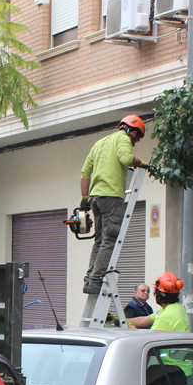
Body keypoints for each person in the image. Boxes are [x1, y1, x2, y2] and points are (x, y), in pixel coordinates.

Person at [80, 116, 147, 296]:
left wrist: (84, 198)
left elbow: (85, 172)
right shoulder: (123, 139)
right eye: (137, 138)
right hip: (112, 197)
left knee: (100, 240)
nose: (135, 142)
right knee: (109, 239)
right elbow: (126, 159)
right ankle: (96, 281)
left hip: (95, 198)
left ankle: (89, 280)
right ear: (134, 132)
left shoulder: (99, 143)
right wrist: (142, 163)